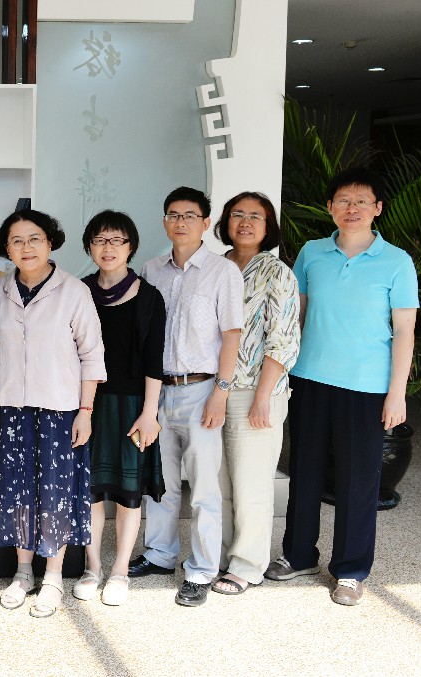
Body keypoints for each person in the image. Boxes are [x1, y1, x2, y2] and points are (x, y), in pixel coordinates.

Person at [266, 167, 417, 606]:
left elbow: (404, 331)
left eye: (362, 201)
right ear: (330, 207)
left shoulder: (397, 262)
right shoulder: (312, 253)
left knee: (358, 481)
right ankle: (298, 556)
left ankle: (350, 570)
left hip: (366, 388)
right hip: (310, 379)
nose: (352, 209)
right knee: (305, 472)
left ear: (378, 208)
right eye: (344, 201)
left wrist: (396, 393)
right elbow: (296, 317)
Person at [0, 209, 106, 618]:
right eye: (16, 240)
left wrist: (85, 411)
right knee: (16, 490)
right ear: (7, 248)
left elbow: (92, 356)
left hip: (60, 410)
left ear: (50, 243)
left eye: (35, 239)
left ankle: (52, 576)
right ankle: (22, 572)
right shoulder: (0, 290)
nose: (26, 247)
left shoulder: (74, 291)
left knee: (55, 491)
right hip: (12, 408)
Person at [132, 186, 244, 607]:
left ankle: (201, 570)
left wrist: (221, 392)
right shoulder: (151, 270)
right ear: (165, 221)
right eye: (173, 215)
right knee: (159, 482)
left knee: (203, 487)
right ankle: (160, 554)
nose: (181, 222)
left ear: (206, 223)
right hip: (158, 391)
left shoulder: (222, 272)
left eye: (190, 215)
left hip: (201, 390)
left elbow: (232, 335)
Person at [209, 193, 300, 597]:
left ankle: (247, 565)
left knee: (251, 485)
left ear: (268, 227)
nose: (245, 222)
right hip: (212, 390)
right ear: (225, 222)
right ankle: (223, 556)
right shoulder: (215, 267)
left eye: (255, 216)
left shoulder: (277, 272)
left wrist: (264, 395)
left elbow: (284, 340)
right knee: (218, 483)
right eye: (237, 214)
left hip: (254, 391)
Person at [74, 210, 165, 607]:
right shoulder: (78, 292)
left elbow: (154, 360)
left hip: (132, 407)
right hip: (87, 405)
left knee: (129, 494)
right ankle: (92, 567)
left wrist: (150, 413)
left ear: (130, 247)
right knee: (90, 491)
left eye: (116, 240)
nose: (107, 248)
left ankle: (121, 571)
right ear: (89, 247)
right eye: (99, 240)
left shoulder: (149, 297)